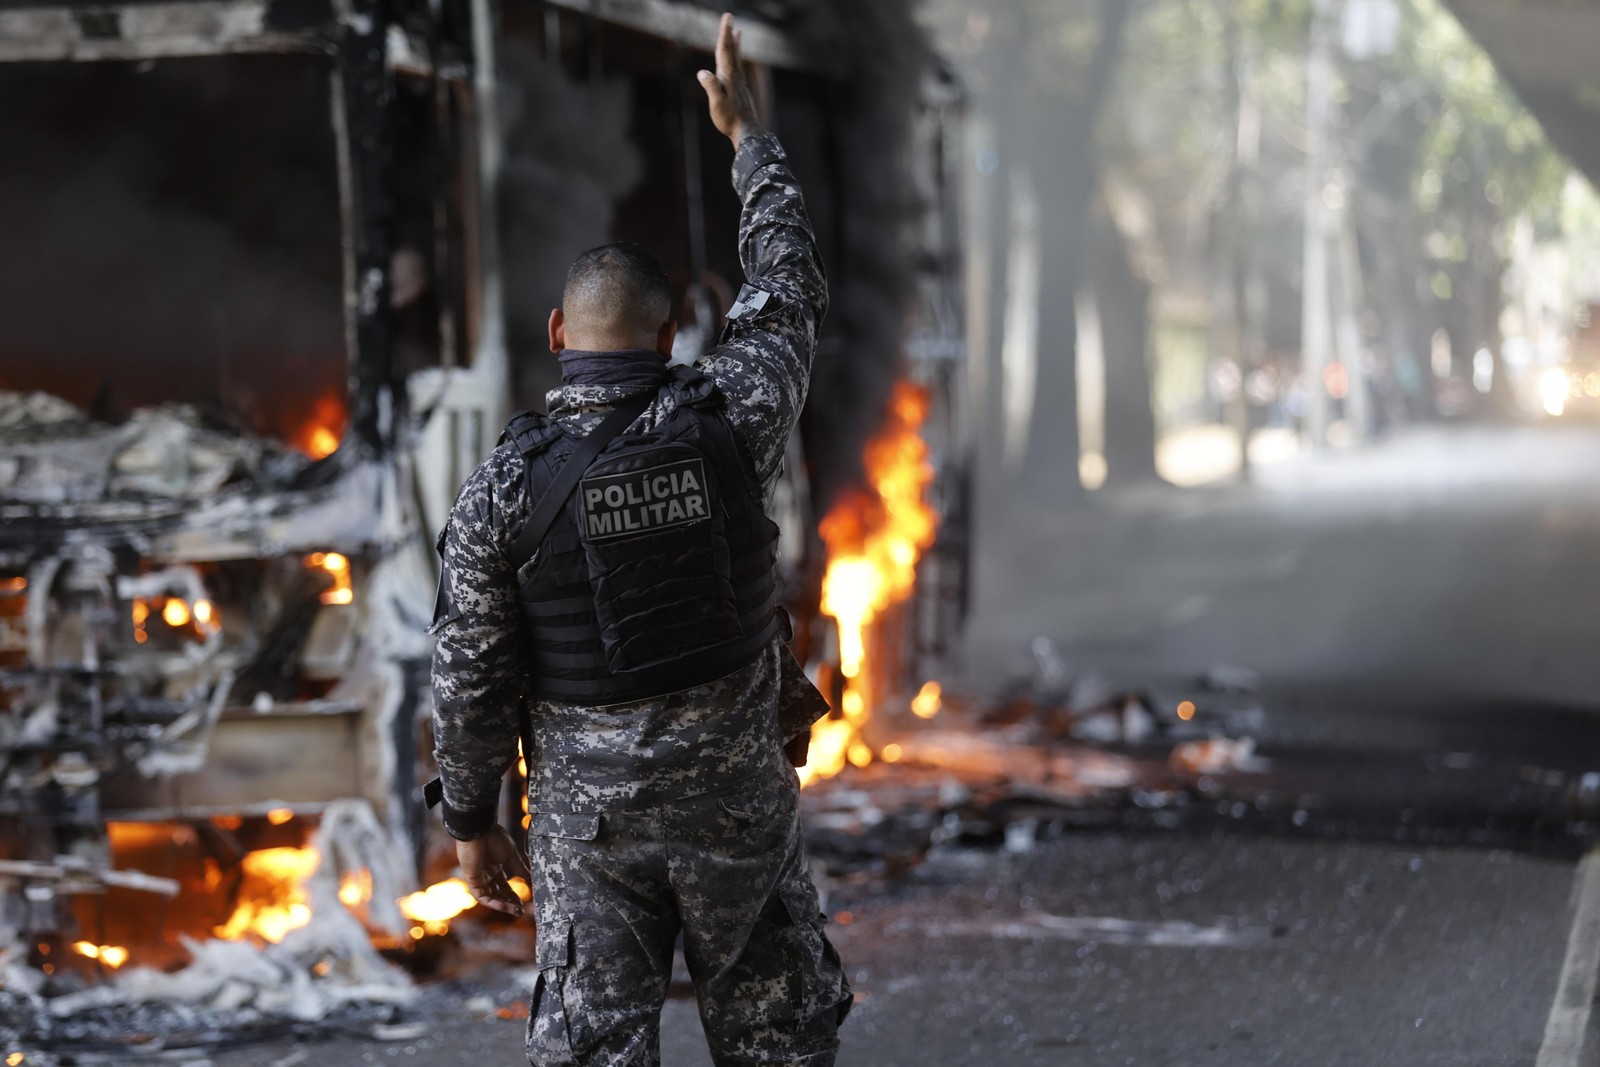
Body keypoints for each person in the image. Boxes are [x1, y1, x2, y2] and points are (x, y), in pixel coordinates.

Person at [428, 13, 850, 1066]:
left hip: (591, 831)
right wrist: (746, 135)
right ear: (669, 337)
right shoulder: (736, 410)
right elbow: (790, 283)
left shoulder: (498, 491)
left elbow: (471, 676)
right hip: (736, 813)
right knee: (777, 1047)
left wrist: (473, 819)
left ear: (559, 335)